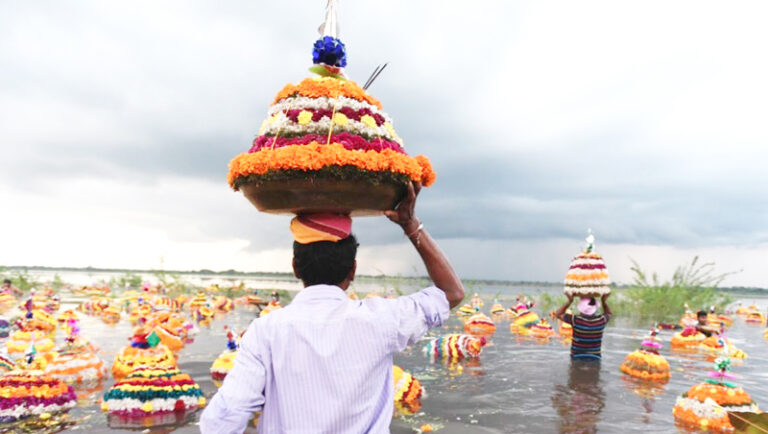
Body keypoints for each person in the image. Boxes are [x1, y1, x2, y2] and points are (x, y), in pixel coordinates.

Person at [200, 182, 465, 433]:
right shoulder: (383, 319)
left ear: (295, 268)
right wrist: (410, 224)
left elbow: (224, 420)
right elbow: (451, 292)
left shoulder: (265, 330)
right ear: (353, 271)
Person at [555, 293, 612, 361]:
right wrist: (603, 301)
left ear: (581, 309)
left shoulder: (576, 320)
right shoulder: (601, 320)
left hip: (576, 356)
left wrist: (570, 301)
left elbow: (558, 314)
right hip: (595, 358)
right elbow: (609, 313)